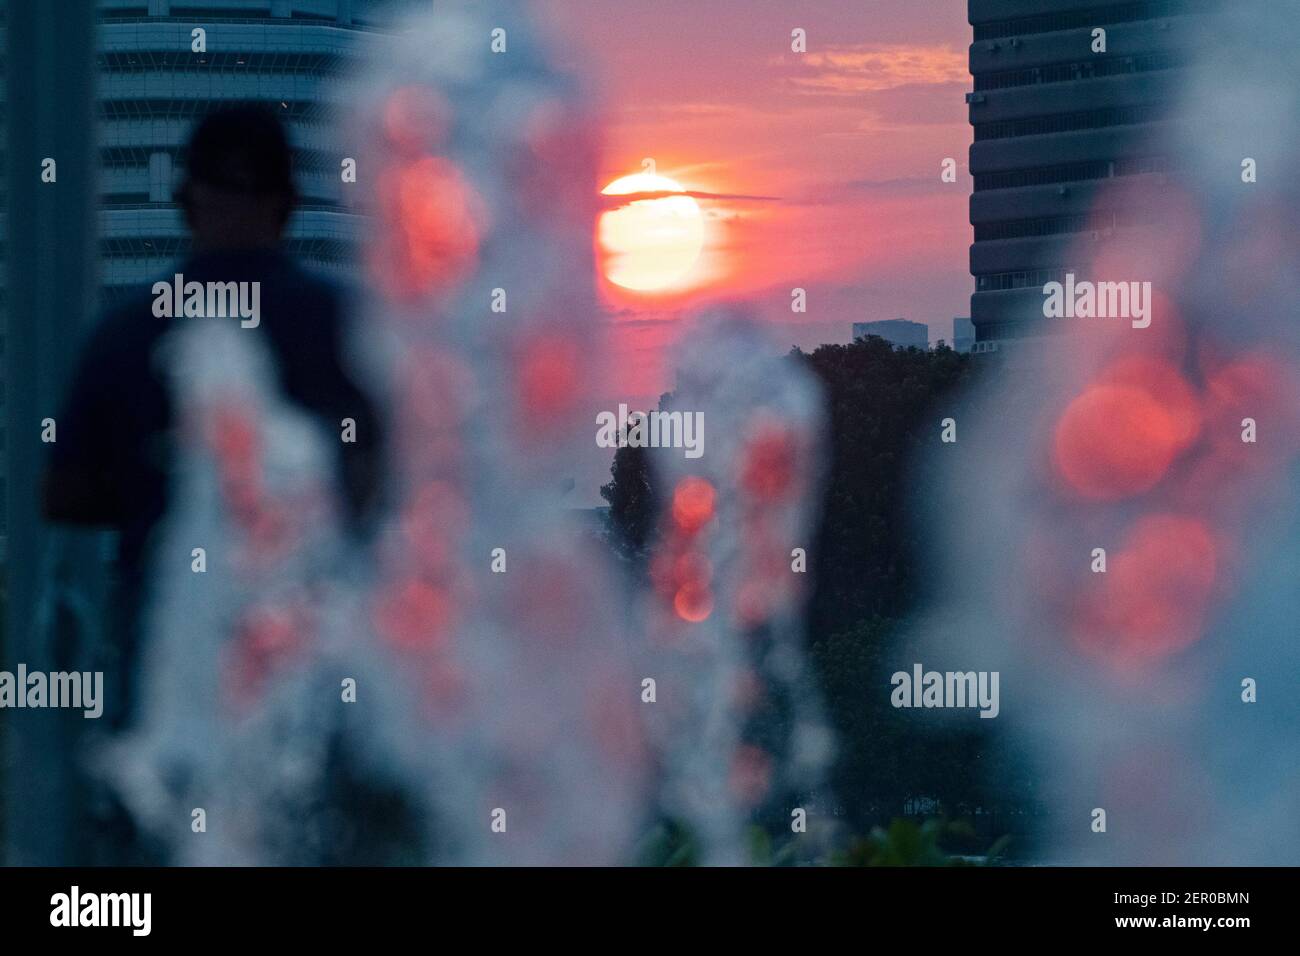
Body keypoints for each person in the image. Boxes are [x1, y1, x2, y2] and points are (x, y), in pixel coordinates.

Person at [43, 104, 386, 734]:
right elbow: (390, 481)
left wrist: (160, 481)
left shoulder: (127, 332)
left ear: (184, 203)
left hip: (164, 665)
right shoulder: (345, 326)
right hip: (312, 674)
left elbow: (64, 493)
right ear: (288, 207)